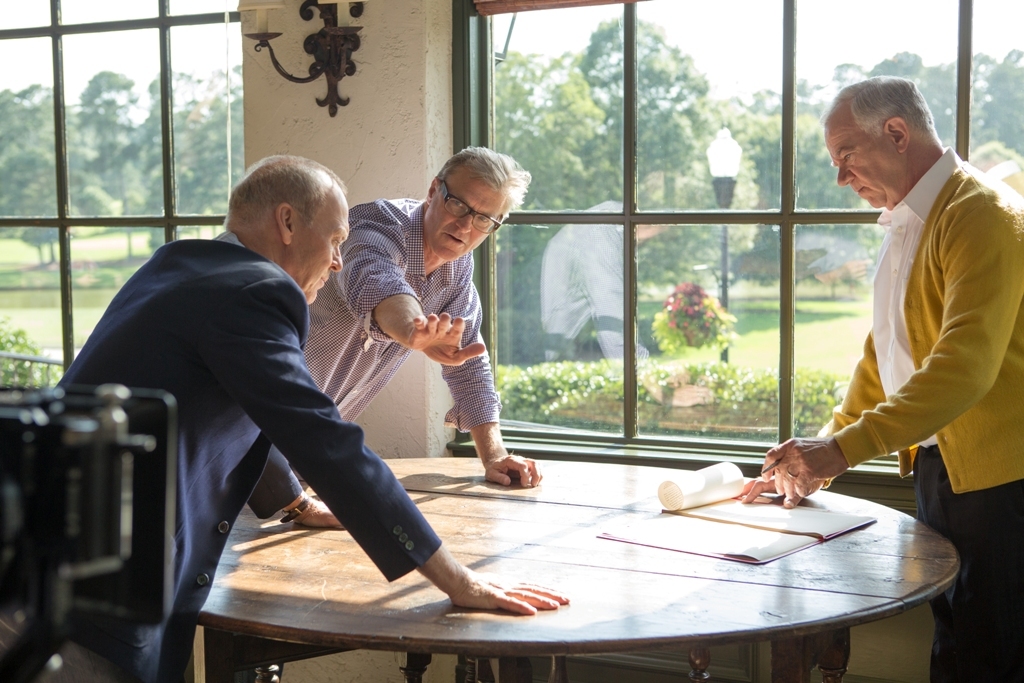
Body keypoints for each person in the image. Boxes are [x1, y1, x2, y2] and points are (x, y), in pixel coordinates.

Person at [54, 155, 567, 683]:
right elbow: (325, 441)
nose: (339, 261)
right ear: (288, 223)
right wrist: (458, 580)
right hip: (97, 583)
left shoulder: (180, 265)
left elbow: (266, 411)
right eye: (336, 240)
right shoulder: (256, 291)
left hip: (56, 547)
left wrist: (295, 502)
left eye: (487, 218)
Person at [742, 76, 1024, 681]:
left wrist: (841, 450)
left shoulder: (982, 213)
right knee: (957, 641)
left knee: (990, 654)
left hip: (1002, 482)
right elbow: (884, 358)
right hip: (942, 467)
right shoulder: (909, 221)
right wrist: (812, 456)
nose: (841, 176)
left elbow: (962, 367)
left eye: (845, 154)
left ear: (896, 133)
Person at [247, 147, 542, 526]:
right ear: (435, 190)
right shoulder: (376, 225)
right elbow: (376, 281)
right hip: (248, 446)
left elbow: (469, 363)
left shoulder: (457, 268)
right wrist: (411, 330)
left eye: (485, 219)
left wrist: (495, 456)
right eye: (459, 206)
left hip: (305, 463)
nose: (467, 227)